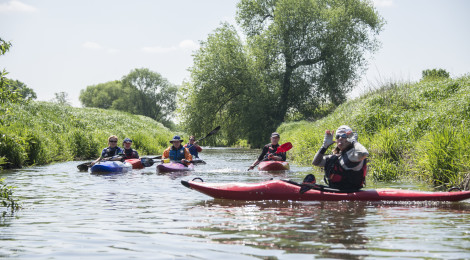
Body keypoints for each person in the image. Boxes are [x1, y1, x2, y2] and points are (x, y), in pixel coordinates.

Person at [312, 125, 369, 191]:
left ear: (349, 138)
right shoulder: (335, 157)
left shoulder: (354, 155)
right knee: (310, 178)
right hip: (335, 191)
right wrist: (324, 146)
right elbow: (316, 162)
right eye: (337, 136)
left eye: (344, 136)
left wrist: (354, 141)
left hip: (351, 192)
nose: (340, 138)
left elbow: (364, 153)